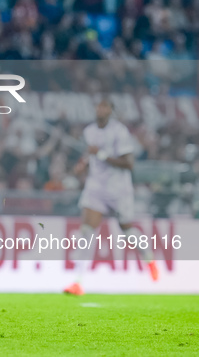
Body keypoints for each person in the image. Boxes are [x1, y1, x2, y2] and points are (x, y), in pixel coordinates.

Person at [64, 98, 159, 296]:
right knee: (86, 231)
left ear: (111, 111)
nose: (101, 108)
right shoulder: (89, 131)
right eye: (99, 105)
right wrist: (84, 164)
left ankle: (149, 259)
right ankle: (77, 282)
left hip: (119, 189)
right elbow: (91, 156)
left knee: (128, 231)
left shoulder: (119, 132)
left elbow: (129, 163)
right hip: (96, 186)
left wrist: (101, 155)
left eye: (105, 106)